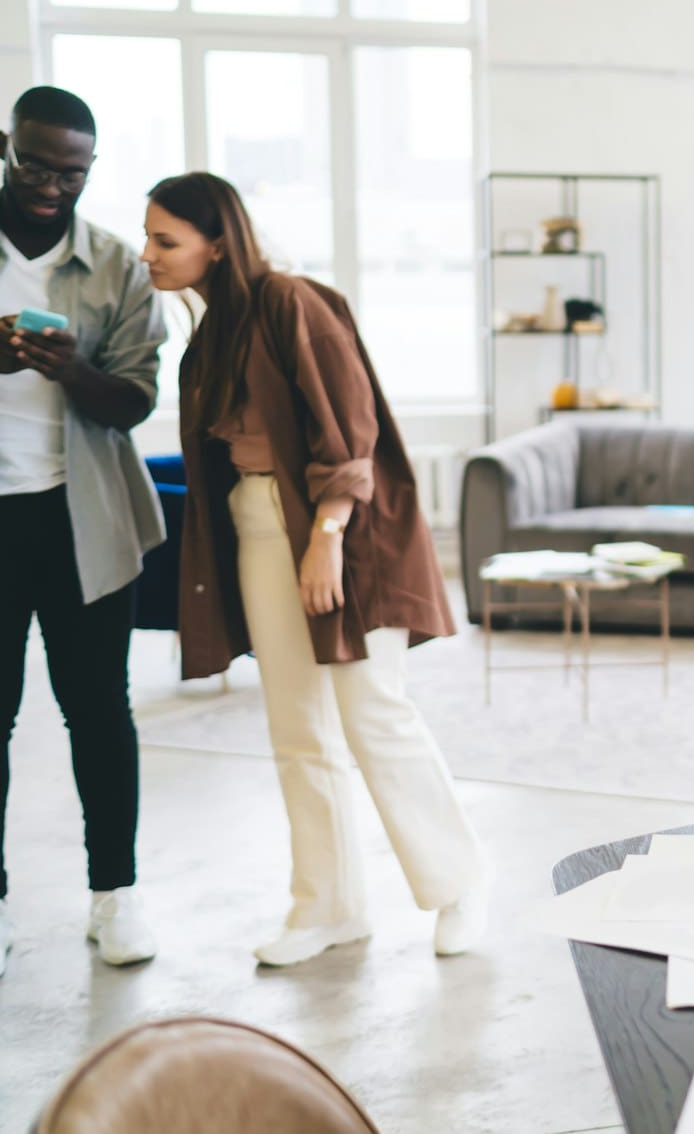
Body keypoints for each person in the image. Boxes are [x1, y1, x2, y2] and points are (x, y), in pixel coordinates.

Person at [142, 171, 487, 967]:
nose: (149, 255)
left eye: (166, 240)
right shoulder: (208, 338)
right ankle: (328, 907)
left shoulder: (293, 301)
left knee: (373, 710)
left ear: (217, 243)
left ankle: (459, 883)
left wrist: (327, 533)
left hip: (341, 530)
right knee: (298, 728)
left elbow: (350, 422)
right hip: (258, 527)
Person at [0, 86, 165, 974]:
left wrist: (73, 371)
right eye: (36, 164)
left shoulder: (113, 265)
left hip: (82, 520)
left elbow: (136, 400)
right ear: (7, 146)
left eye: (73, 171)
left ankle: (117, 898)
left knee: (98, 712)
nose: (52, 186)